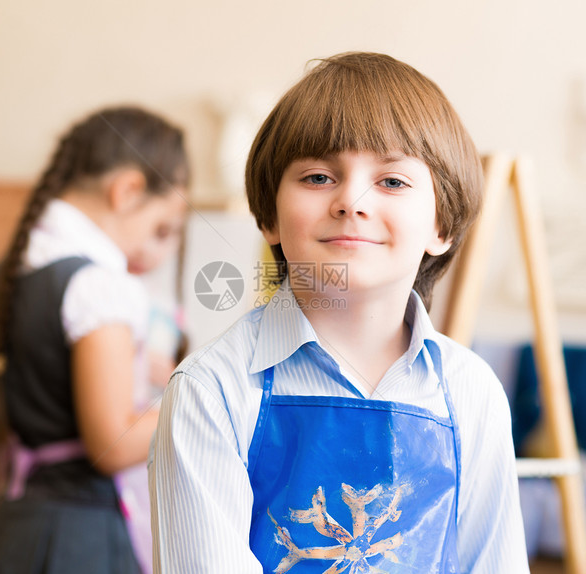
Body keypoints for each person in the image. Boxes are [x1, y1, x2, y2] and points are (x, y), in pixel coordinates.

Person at [150, 52, 529, 573]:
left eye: (392, 182)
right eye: (318, 177)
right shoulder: (210, 389)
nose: (352, 200)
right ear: (270, 217)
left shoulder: (470, 391)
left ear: (440, 226)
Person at [0, 106, 189, 574]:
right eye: (159, 228)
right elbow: (113, 443)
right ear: (127, 191)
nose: (153, 251)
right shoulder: (100, 286)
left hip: (10, 527)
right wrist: (198, 397)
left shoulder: (7, 275)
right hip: (76, 541)